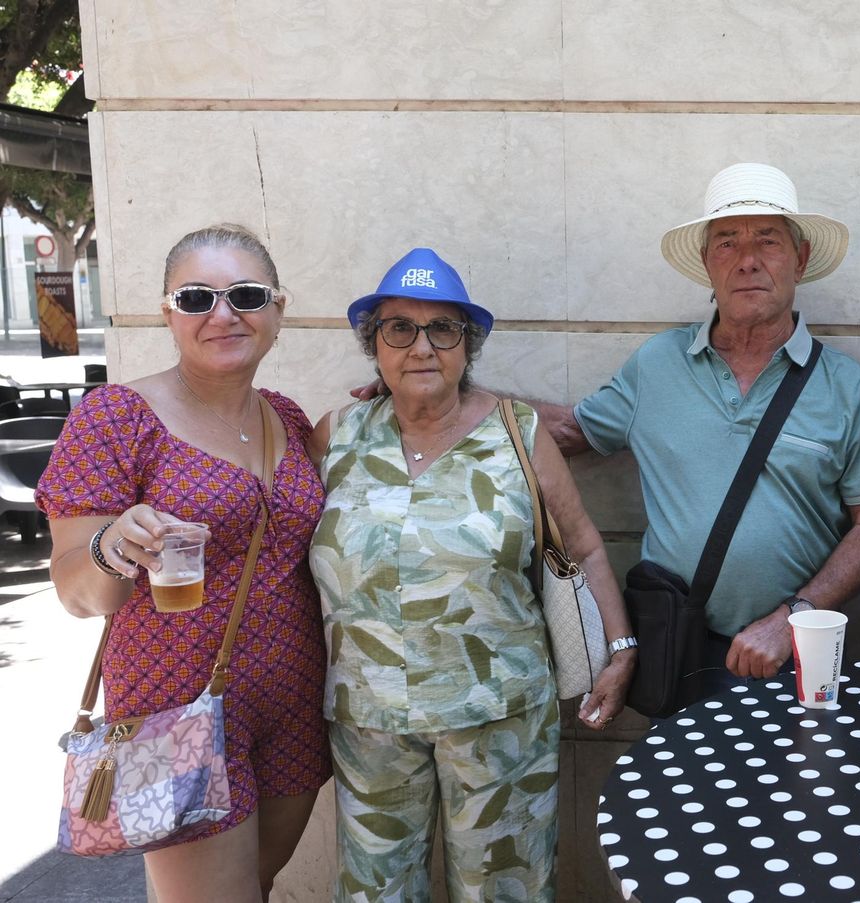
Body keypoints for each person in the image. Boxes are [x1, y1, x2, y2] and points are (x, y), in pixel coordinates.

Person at [310, 248, 636, 900]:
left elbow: (585, 548)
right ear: (373, 344)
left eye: (443, 330)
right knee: (376, 891)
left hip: (500, 723)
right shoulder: (335, 436)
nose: (422, 346)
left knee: (504, 890)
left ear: (468, 345)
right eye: (399, 328)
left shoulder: (518, 432)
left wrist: (619, 646)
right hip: (369, 725)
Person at [37, 225, 329, 901]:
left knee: (256, 884)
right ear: (168, 312)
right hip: (172, 712)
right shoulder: (115, 419)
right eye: (197, 297)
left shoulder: (286, 416)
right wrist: (114, 545)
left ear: (278, 310)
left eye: (246, 295)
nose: (223, 314)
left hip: (292, 706)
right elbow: (75, 592)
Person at [535, 162, 860, 691]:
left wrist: (792, 619)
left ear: (799, 259)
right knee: (682, 776)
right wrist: (450, 396)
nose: (748, 260)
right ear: (707, 264)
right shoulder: (658, 363)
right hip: (678, 648)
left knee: (800, 775)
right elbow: (570, 432)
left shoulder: (846, 385)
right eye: (727, 242)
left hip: (796, 655)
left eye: (768, 241)